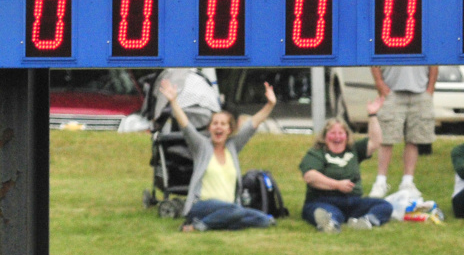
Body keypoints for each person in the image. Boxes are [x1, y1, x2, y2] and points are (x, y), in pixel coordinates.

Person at [161, 79, 276, 232]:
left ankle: (219, 222)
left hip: (230, 206)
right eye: (215, 123)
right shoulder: (202, 146)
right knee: (237, 212)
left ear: (229, 129)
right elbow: (186, 127)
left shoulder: (232, 147)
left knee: (264, 220)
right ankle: (200, 226)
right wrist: (174, 101)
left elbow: (252, 125)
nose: (218, 127)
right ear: (210, 128)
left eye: (223, 124)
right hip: (203, 205)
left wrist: (270, 104)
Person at [300, 98, 394, 233]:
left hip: (353, 201)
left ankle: (367, 221)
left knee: (384, 206)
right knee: (325, 211)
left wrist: (372, 116)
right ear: (325, 136)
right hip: (324, 200)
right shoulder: (316, 153)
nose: (337, 137)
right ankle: (331, 223)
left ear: (346, 136)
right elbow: (310, 177)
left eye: (341, 133)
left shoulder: (354, 149)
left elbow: (375, 142)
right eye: (332, 133)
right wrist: (337, 185)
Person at [368, 65, 438, 198]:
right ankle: (380, 182)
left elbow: (434, 62)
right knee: (387, 139)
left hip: (421, 92)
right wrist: (380, 83)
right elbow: (374, 59)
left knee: (414, 139)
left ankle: (407, 182)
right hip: (392, 91)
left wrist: (430, 89)